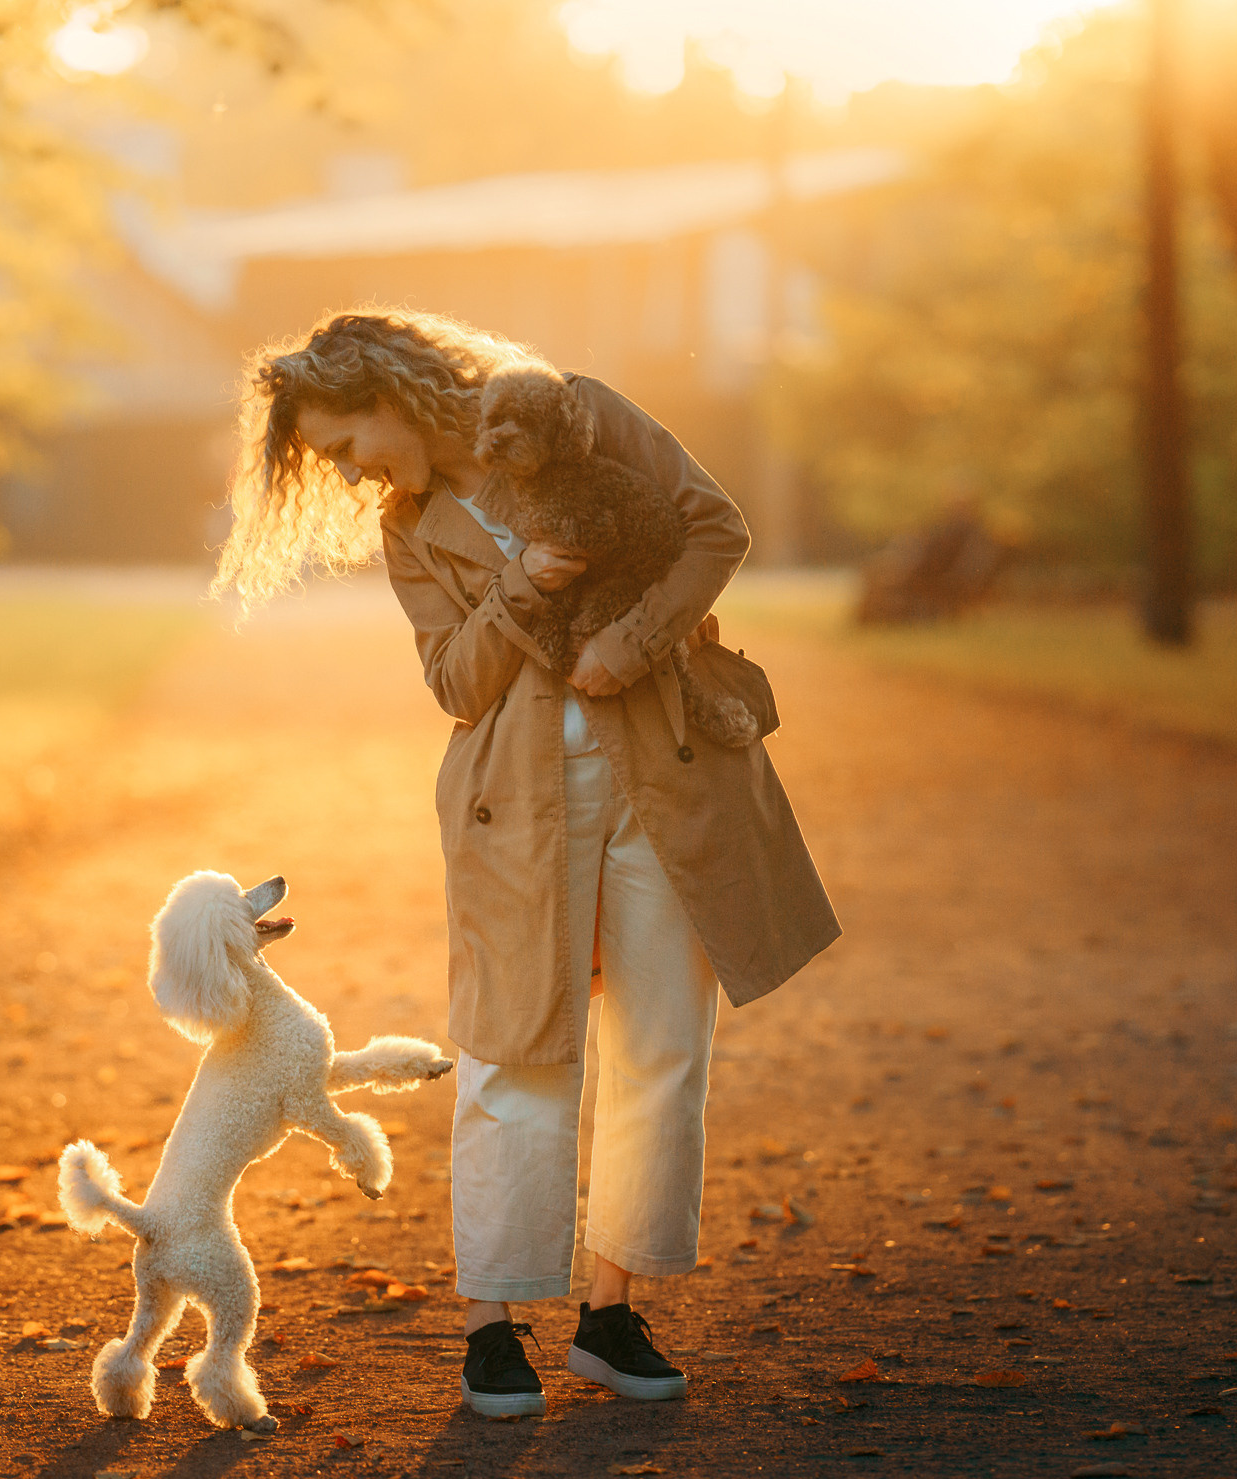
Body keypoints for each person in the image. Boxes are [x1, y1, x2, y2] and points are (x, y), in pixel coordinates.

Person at [215, 308, 840, 1418]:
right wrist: (528, 585)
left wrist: (630, 641)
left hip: (667, 778)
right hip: (514, 811)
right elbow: (455, 683)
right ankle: (493, 1327)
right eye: (332, 461)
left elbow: (714, 528)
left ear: (392, 392)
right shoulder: (411, 528)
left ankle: (611, 1313)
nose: (353, 473)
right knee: (514, 1053)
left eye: (351, 442)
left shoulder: (579, 411)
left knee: (662, 1046)